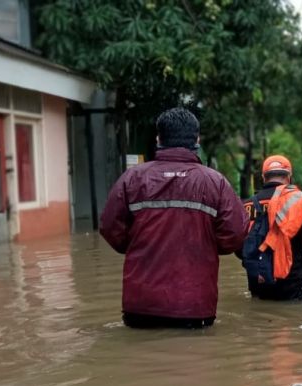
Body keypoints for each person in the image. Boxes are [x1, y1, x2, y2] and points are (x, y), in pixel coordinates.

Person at [100, 107, 247, 328]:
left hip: (141, 306)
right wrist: (205, 243)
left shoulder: (132, 179)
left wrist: (138, 246)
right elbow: (235, 235)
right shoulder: (215, 182)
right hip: (195, 307)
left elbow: (110, 227)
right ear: (197, 139)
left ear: (159, 138)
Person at [242, 155, 302, 301]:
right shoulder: (299, 201)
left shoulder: (247, 206)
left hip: (259, 284)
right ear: (289, 176)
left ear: (263, 177)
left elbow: (239, 248)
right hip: (292, 284)